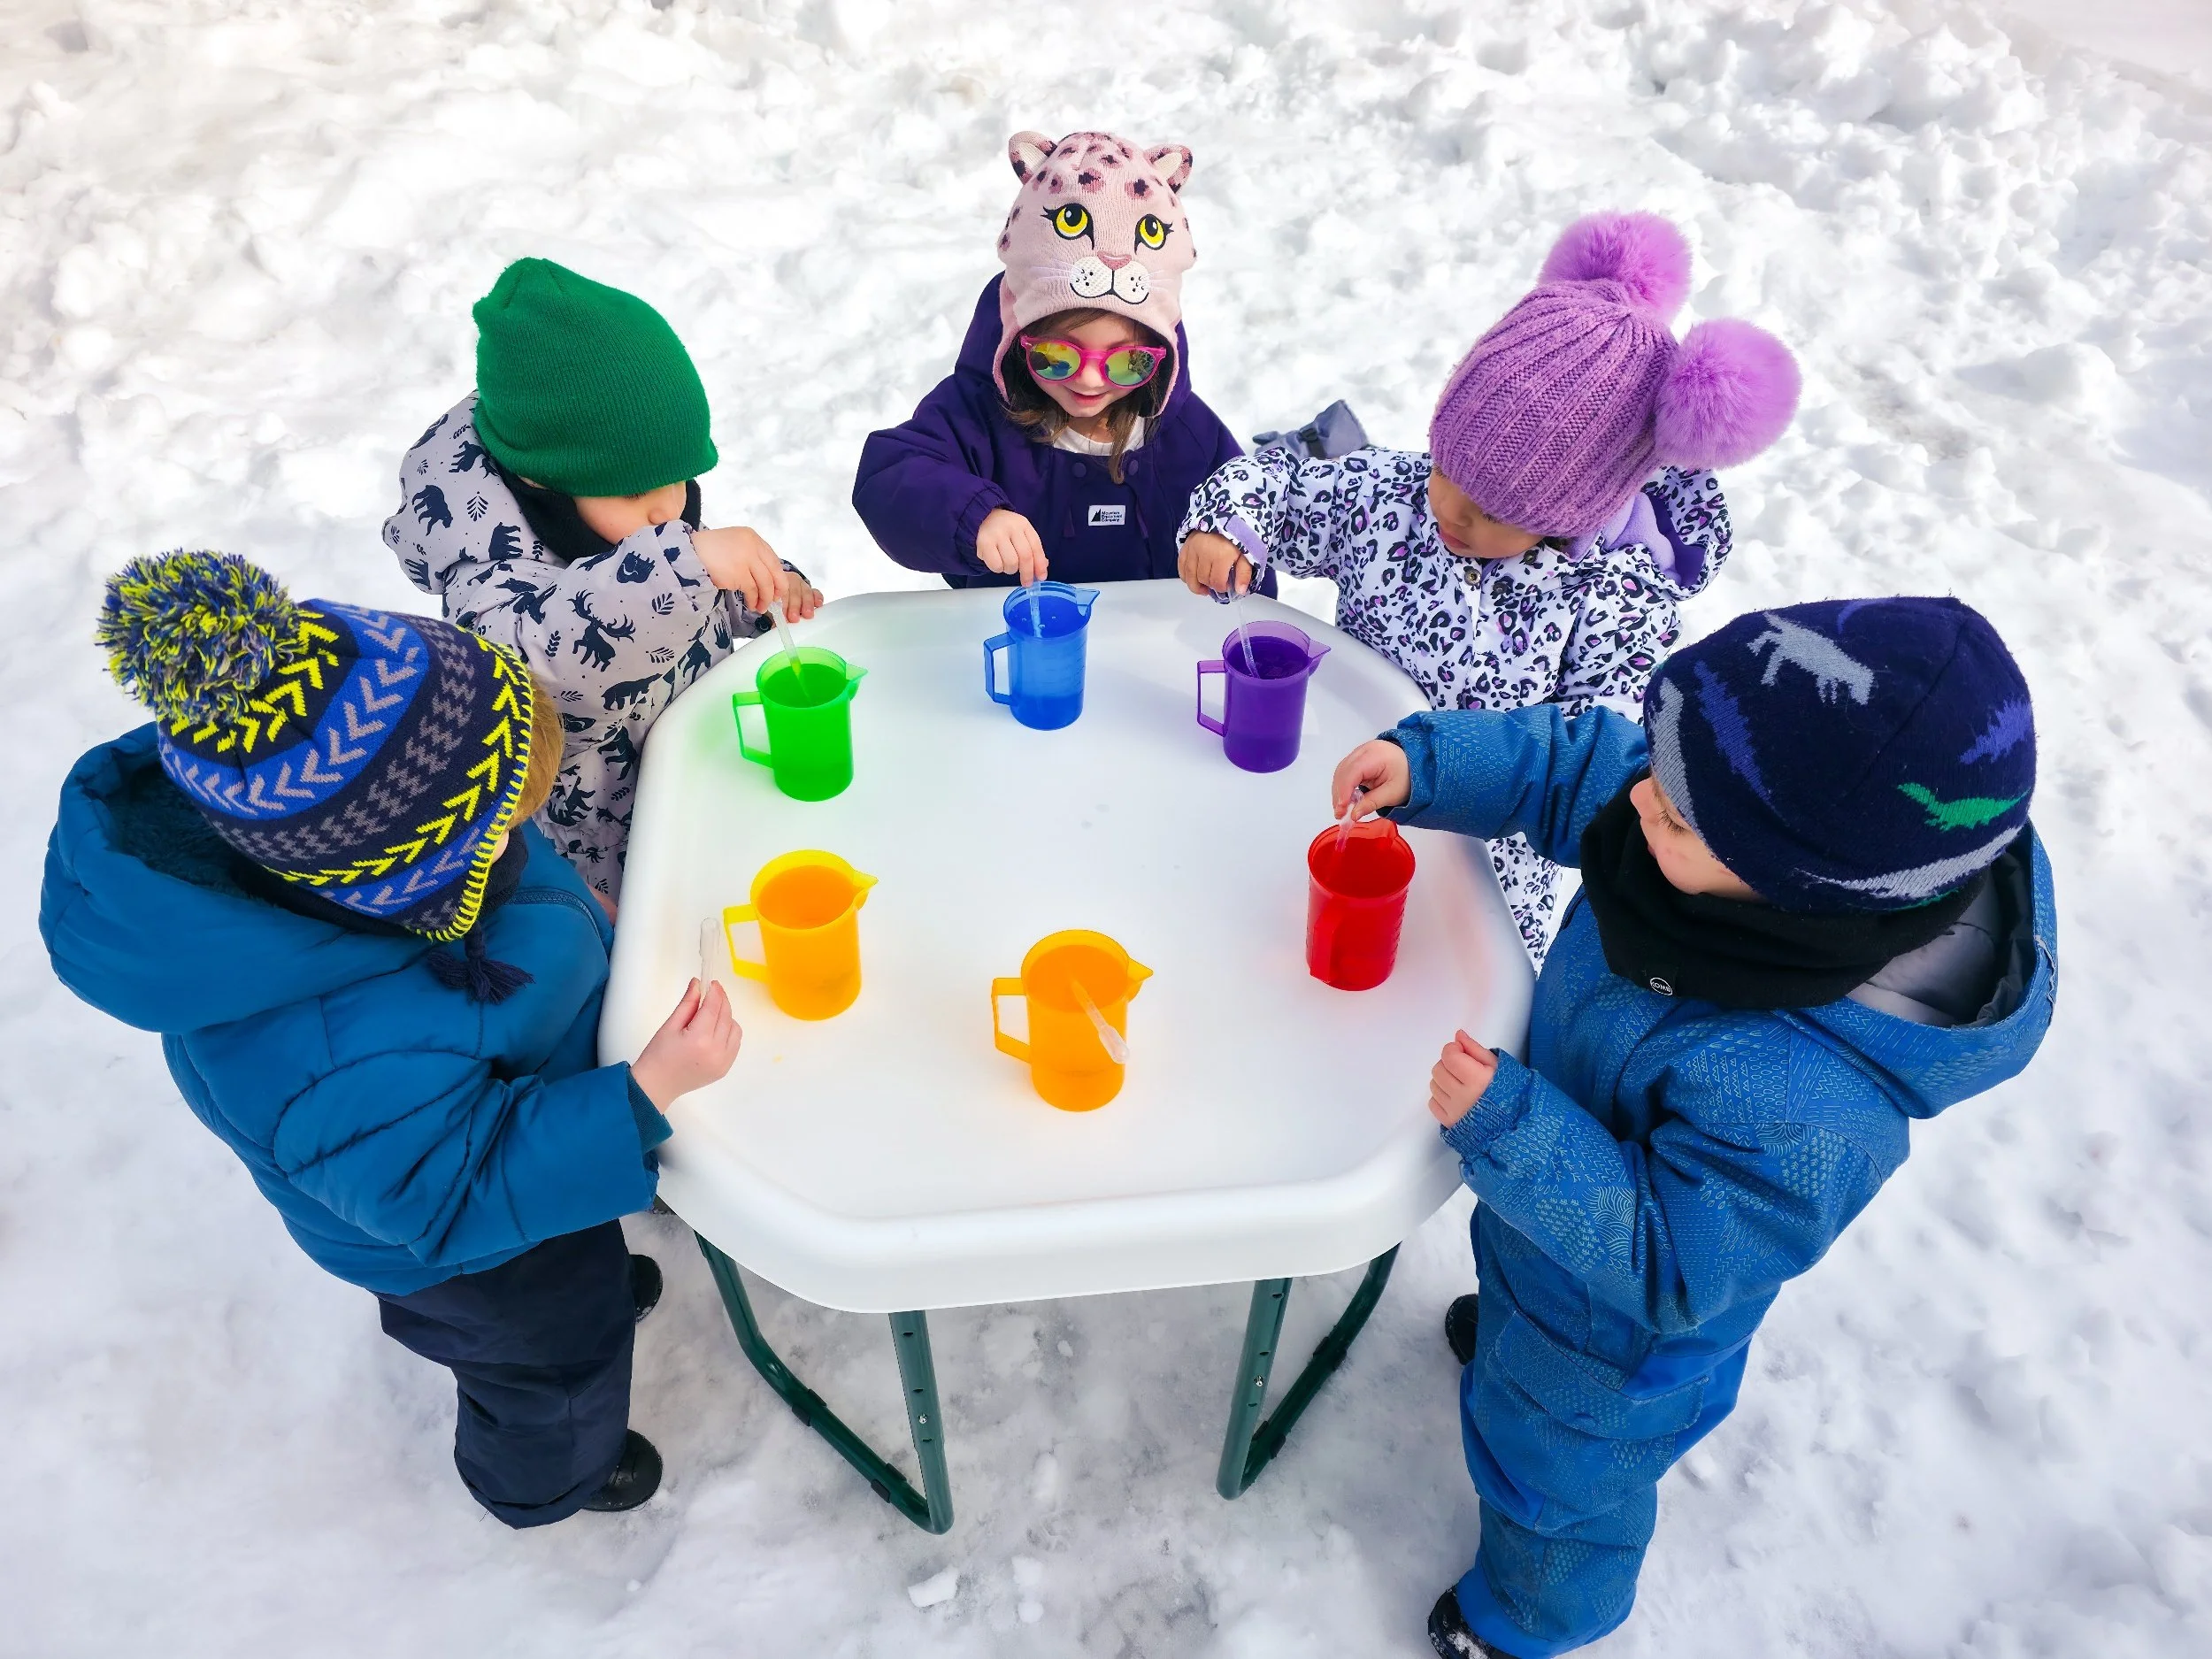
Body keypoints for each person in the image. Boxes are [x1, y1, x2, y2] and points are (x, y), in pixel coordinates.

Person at [1327, 597, 2055, 1657]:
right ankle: (1511, 1341)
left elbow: (1676, 1263)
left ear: (1795, 890)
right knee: (1522, 1318)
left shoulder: (1805, 1100)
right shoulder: (1708, 818)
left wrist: (1515, 1130)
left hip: (1612, 1351)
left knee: (1555, 1484)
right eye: (1661, 776)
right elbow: (1581, 767)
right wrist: (1430, 765)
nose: (1639, 800)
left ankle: (1534, 1616)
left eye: (1672, 813)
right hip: (1549, 1241)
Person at [42, 551, 743, 1526]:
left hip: (520, 1146)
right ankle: (545, 1476)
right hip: (464, 1259)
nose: (519, 841)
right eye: (501, 832)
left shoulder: (361, 848)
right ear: (415, 878)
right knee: (553, 1363)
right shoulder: (328, 1059)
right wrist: (642, 1092)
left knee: (572, 1261)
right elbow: (455, 1194)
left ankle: (582, 1271)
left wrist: (577, 908)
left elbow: (499, 862)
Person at [1180, 211, 1800, 966]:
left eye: (1493, 511)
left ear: (1578, 510)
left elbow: (1595, 755)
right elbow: (1280, 481)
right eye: (1446, 469)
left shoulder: (1611, 602)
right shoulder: (1391, 501)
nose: (1449, 509)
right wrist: (1228, 526)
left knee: (1450, 988)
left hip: (1486, 868)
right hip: (1344, 800)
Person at [385, 257, 821, 912]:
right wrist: (688, 565)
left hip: (705, 784)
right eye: (638, 491)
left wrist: (758, 592)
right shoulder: (491, 581)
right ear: (542, 482)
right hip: (610, 856)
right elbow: (549, 675)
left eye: (679, 478)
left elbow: (671, 585)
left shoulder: (627, 513)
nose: (668, 508)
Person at [851, 130, 1257, 592]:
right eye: (1056, 357)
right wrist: (972, 516)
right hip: (1009, 633)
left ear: (1159, 357)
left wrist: (1229, 542)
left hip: (1157, 636)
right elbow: (889, 476)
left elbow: (1249, 505)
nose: (1090, 380)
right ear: (1017, 337)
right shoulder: (978, 416)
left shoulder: (1186, 434)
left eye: (1128, 363)